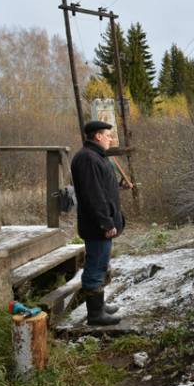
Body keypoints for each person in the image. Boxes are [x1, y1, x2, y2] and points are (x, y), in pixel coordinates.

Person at [71, 121, 124, 326]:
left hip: (101, 224)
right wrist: (105, 223)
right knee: (94, 267)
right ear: (98, 136)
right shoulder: (88, 158)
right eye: (109, 135)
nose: (111, 138)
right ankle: (95, 314)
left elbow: (102, 190)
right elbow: (93, 195)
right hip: (97, 227)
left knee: (100, 265)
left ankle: (99, 306)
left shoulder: (96, 156)